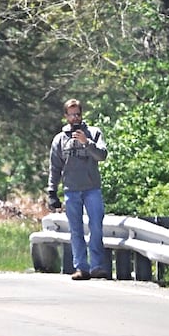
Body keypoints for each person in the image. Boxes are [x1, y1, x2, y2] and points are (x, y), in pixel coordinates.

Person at [46, 98, 110, 281]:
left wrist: (86, 142)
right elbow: (55, 167)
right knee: (76, 230)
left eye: (78, 114)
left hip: (92, 188)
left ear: (82, 115)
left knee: (96, 227)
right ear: (66, 116)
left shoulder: (94, 133)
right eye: (71, 114)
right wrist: (52, 191)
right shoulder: (60, 139)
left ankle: (97, 266)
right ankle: (81, 267)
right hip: (71, 190)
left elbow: (102, 155)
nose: (75, 118)